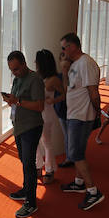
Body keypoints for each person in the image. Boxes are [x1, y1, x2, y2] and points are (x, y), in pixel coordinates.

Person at [59, 33, 105, 210]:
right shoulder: (74, 65)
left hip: (81, 116)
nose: (62, 52)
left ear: (73, 46)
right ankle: (79, 183)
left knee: (75, 154)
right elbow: (67, 89)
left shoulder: (86, 63)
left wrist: (97, 112)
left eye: (64, 47)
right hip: (74, 114)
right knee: (78, 151)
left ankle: (93, 191)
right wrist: (64, 70)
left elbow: (94, 92)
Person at [3, 51, 45, 218]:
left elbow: (40, 106)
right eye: (12, 70)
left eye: (17, 69)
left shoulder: (35, 80)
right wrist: (11, 101)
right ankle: (27, 189)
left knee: (28, 164)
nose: (14, 72)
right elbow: (17, 101)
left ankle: (31, 202)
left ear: (24, 63)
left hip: (31, 127)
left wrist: (17, 101)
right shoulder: (17, 79)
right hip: (19, 126)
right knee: (24, 160)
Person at [34, 49, 65, 185]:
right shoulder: (36, 76)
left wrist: (53, 100)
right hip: (35, 113)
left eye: (37, 61)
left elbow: (65, 94)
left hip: (47, 114)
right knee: (36, 141)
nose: (35, 63)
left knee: (46, 142)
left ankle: (50, 169)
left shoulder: (53, 79)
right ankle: (38, 166)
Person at [56, 51, 74, 169]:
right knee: (67, 136)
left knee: (71, 136)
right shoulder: (57, 77)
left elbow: (67, 93)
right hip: (62, 111)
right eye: (63, 60)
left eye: (67, 60)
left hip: (73, 111)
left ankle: (71, 158)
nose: (65, 62)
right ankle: (70, 158)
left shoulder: (75, 77)